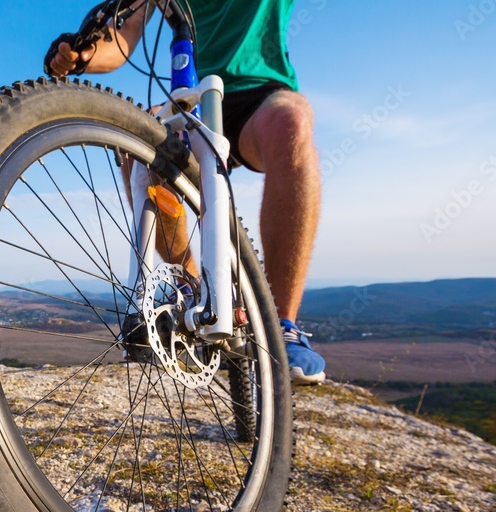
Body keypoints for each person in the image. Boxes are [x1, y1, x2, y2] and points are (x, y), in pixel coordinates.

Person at [45, 0, 326, 384]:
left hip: (257, 94)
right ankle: (196, 293)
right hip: (192, 98)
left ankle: (281, 328)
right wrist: (82, 55)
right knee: (141, 146)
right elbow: (123, 38)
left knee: (291, 123)